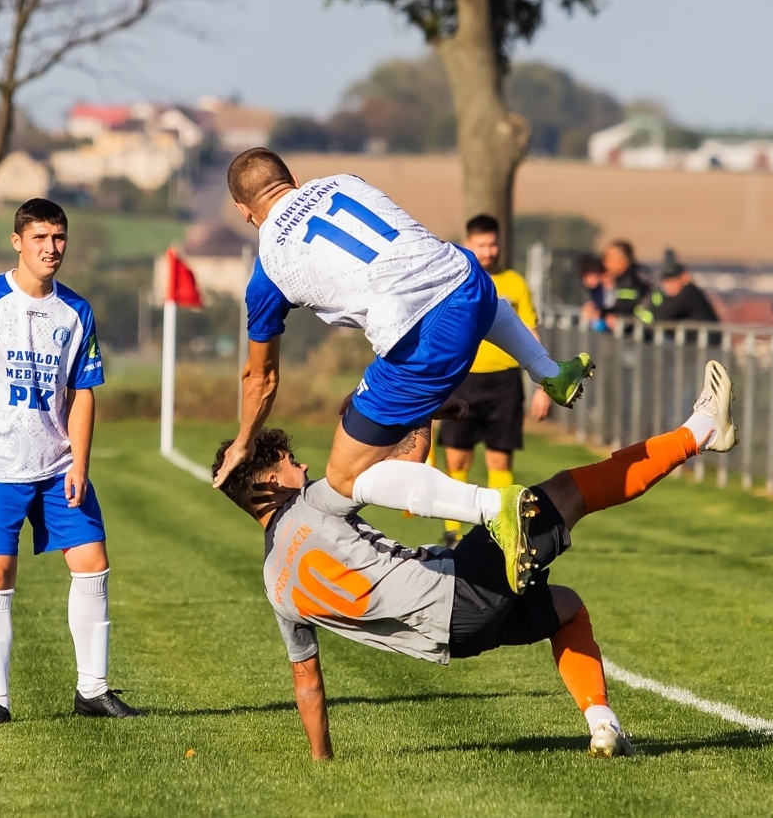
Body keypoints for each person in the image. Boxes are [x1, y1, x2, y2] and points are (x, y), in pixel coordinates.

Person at [217, 360, 739, 760]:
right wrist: (422, 410)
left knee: (567, 608)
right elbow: (409, 464)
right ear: (267, 483)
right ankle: (700, 432)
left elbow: (305, 679)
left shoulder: (273, 584)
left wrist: (321, 760)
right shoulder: (314, 501)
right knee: (566, 490)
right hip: (459, 590)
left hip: (453, 638)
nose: (303, 463)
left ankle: (604, 724)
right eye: (289, 463)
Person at [216, 149, 594, 521]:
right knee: (455, 284)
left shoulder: (269, 270)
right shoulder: (344, 182)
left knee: (347, 476)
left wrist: (244, 442)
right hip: (469, 281)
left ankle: (497, 510)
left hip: (419, 340)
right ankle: (549, 371)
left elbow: (260, 377)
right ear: (294, 180)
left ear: (243, 210)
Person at [0, 199, 140, 725]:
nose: (51, 249)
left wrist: (80, 462)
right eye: (40, 238)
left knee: (93, 564)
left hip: (58, 462)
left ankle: (93, 691)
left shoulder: (77, 310)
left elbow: (84, 393)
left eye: (59, 238)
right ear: (17, 241)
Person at [437, 215, 552, 546]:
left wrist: (544, 384)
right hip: (463, 379)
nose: (489, 251)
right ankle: (453, 532)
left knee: (500, 458)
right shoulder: (458, 278)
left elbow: (530, 332)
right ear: (469, 243)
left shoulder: (515, 283)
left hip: (505, 384)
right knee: (457, 459)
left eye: (493, 243)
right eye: (481, 244)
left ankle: (501, 532)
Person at [641, 248, 720, 343]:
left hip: (708, 349)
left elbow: (662, 316)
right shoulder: (681, 294)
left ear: (683, 278)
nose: (668, 285)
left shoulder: (689, 293)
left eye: (672, 280)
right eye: (665, 281)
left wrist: (656, 298)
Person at [599, 240, 655, 333]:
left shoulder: (631, 279)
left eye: (608, 257)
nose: (605, 262)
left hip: (644, 333)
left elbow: (625, 308)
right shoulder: (624, 278)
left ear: (622, 259)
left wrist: (603, 313)